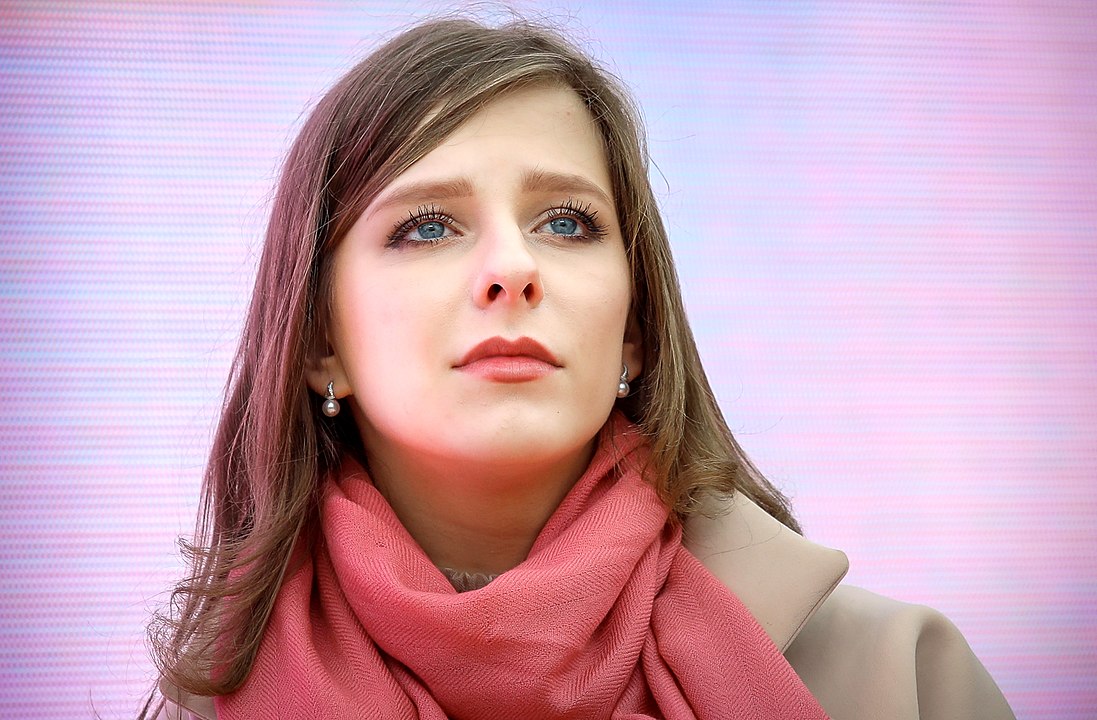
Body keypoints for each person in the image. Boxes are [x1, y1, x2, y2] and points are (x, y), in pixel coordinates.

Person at [146, 16, 1015, 720]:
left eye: (565, 223)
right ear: (318, 345)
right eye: (427, 226)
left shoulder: (904, 682)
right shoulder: (208, 708)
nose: (511, 267)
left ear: (634, 331)